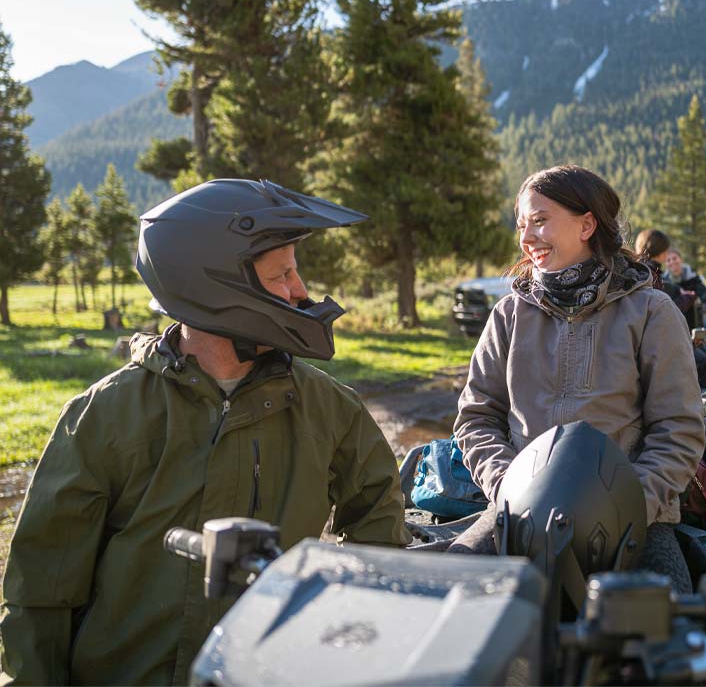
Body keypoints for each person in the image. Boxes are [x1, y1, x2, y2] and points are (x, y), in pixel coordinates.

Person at [0, 179, 411, 686]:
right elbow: (41, 591)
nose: (300, 292)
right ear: (216, 284)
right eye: (282, 275)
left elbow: (379, 539)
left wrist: (329, 632)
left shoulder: (330, 408)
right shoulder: (104, 415)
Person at [452, 165, 704, 592]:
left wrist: (629, 507)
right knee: (449, 599)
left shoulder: (652, 312)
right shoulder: (509, 315)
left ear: (587, 225)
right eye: (522, 225)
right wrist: (509, 489)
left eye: (540, 220)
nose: (526, 238)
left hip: (634, 519)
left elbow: (679, 429)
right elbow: (477, 418)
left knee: (665, 620)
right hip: (518, 512)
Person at [635, 229, 706, 389]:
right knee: (704, 363)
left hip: (647, 339)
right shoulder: (651, 275)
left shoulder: (640, 271)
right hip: (658, 342)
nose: (670, 259)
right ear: (662, 252)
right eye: (667, 253)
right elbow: (661, 310)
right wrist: (686, 298)